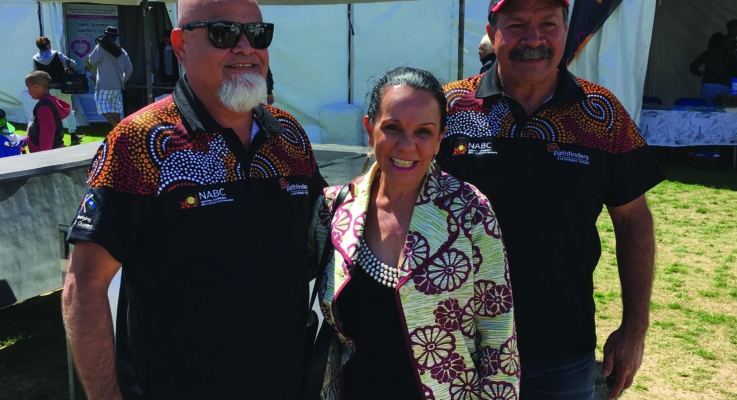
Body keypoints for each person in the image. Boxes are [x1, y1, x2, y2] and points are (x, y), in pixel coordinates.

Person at [61, 0, 325, 398]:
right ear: (181, 46)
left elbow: (329, 234)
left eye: (258, 34)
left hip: (284, 383)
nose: (245, 47)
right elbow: (83, 285)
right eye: (222, 33)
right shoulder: (141, 142)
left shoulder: (289, 137)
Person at [436, 0, 666, 399]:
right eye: (517, 24)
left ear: (566, 31)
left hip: (561, 350)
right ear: (491, 32)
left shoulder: (602, 114)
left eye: (548, 24)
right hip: (454, 341)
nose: (533, 39)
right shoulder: (449, 108)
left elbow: (633, 220)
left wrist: (635, 328)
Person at [308, 67, 518, 399]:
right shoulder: (333, 209)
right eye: (392, 128)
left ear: (440, 138)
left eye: (423, 132)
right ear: (369, 129)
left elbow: (498, 335)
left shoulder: (470, 211)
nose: (407, 145)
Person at [32, 36, 82, 142]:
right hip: (62, 87)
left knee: (51, 113)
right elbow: (73, 64)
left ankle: (54, 137)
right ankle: (73, 134)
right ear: (48, 45)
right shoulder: (57, 54)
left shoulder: (35, 58)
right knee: (68, 110)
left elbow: (36, 74)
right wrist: (66, 69)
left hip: (47, 90)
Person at [88, 26, 133, 127]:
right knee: (115, 109)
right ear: (116, 37)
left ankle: (118, 128)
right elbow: (130, 69)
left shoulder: (100, 47)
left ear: (106, 35)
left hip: (104, 85)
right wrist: (122, 81)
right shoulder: (122, 51)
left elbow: (92, 61)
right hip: (117, 86)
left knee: (102, 107)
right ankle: (118, 132)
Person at [24, 71, 71, 152]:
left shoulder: (44, 107)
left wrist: (45, 155)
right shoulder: (48, 101)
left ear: (36, 87)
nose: (28, 91)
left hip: (45, 154)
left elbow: (47, 133)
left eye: (29, 87)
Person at [690, 32, 734, 106]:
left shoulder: (707, 54)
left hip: (707, 86)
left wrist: (701, 73)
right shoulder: (729, 57)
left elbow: (693, 67)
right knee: (721, 112)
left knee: (707, 111)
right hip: (723, 87)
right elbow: (734, 73)